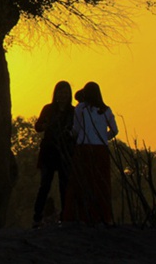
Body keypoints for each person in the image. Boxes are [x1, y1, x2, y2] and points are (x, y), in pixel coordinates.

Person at [62, 81, 119, 226]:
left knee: (81, 182)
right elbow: (114, 130)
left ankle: (79, 215)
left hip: (84, 148)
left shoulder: (81, 109)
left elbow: (76, 129)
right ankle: (101, 216)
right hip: (101, 149)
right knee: (100, 183)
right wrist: (102, 137)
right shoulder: (106, 110)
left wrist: (70, 134)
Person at [32, 81, 75, 227]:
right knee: (45, 185)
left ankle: (66, 217)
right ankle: (37, 217)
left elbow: (76, 132)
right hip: (49, 151)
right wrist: (46, 125)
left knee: (65, 186)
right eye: (60, 92)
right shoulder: (48, 109)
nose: (63, 96)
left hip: (65, 152)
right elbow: (38, 127)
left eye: (65, 93)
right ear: (55, 94)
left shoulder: (73, 112)